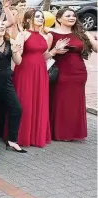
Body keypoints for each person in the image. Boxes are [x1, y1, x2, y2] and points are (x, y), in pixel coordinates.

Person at [13, 10, 60, 148]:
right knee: (25, 101)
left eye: (41, 17)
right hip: (25, 71)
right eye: (37, 16)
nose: (40, 19)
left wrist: (55, 51)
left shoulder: (44, 37)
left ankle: (36, 134)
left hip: (40, 71)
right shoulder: (23, 34)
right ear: (28, 20)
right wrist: (15, 52)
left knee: (39, 101)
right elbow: (18, 59)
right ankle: (22, 135)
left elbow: (44, 55)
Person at [50, 8, 98, 141]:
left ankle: (74, 133)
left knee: (75, 102)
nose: (72, 18)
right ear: (59, 19)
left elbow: (96, 48)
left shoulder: (81, 33)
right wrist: (55, 50)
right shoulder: (51, 33)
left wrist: (89, 36)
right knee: (61, 101)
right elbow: (44, 55)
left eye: (73, 16)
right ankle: (60, 132)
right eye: (68, 16)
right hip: (61, 71)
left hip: (79, 72)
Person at [0, 20, 27, 153]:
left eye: (2, 25)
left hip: (7, 79)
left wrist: (15, 52)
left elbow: (18, 61)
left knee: (17, 108)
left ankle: (12, 140)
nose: (1, 26)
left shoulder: (11, 42)